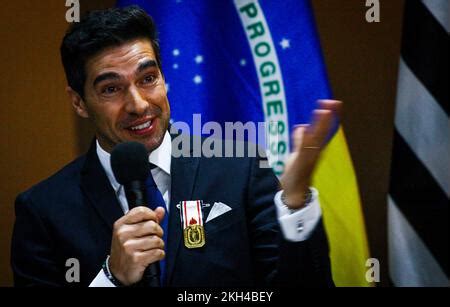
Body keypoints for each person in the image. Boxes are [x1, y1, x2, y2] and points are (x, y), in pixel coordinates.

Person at [11, 6, 340, 287]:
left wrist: (295, 202)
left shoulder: (241, 169)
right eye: (111, 89)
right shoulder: (43, 211)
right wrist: (112, 277)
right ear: (79, 102)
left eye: (148, 78)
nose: (138, 104)